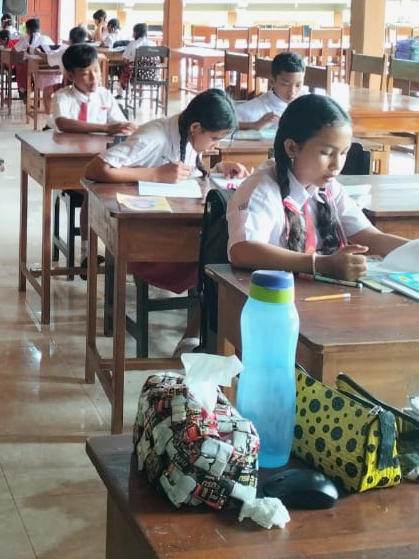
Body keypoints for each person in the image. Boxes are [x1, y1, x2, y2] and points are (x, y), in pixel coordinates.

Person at [227, 94, 419, 280]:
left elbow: (369, 237)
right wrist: (319, 264)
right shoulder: (263, 189)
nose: (336, 164)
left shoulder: (327, 188)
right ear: (292, 148)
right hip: (273, 301)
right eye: (326, 153)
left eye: (343, 153)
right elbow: (242, 250)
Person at [85, 90, 249, 350]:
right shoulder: (155, 136)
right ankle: (195, 339)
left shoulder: (185, 133)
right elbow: (94, 169)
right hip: (147, 241)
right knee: (220, 265)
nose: (215, 146)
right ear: (195, 127)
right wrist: (154, 174)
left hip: (174, 231)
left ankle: (197, 337)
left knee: (224, 256)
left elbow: (185, 171)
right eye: (214, 138)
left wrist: (219, 167)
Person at [52, 44, 134, 135]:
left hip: (100, 147)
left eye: (96, 70)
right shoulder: (62, 96)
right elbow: (63, 123)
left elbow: (120, 124)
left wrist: (128, 127)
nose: (94, 77)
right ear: (71, 76)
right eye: (85, 74)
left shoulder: (104, 95)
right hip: (68, 148)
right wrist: (106, 128)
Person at [236, 52, 306, 130]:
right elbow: (224, 124)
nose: (292, 91)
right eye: (285, 84)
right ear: (272, 81)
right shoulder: (253, 110)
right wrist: (254, 125)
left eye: (298, 85)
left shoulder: (309, 103)